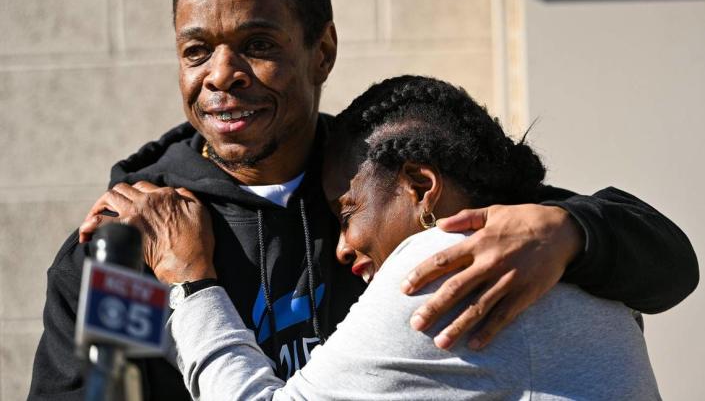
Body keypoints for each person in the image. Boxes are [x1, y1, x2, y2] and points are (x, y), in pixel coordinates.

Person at [29, 0, 697, 400]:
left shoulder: (380, 191)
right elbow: (92, 389)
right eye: (196, 50)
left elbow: (666, 265)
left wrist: (569, 230)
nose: (221, 76)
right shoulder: (136, 242)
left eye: (257, 45)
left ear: (321, 52)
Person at [154, 75, 662, 400]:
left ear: (421, 187)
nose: (342, 246)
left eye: (348, 211)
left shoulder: (441, 262)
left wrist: (193, 281)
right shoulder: (563, 248)